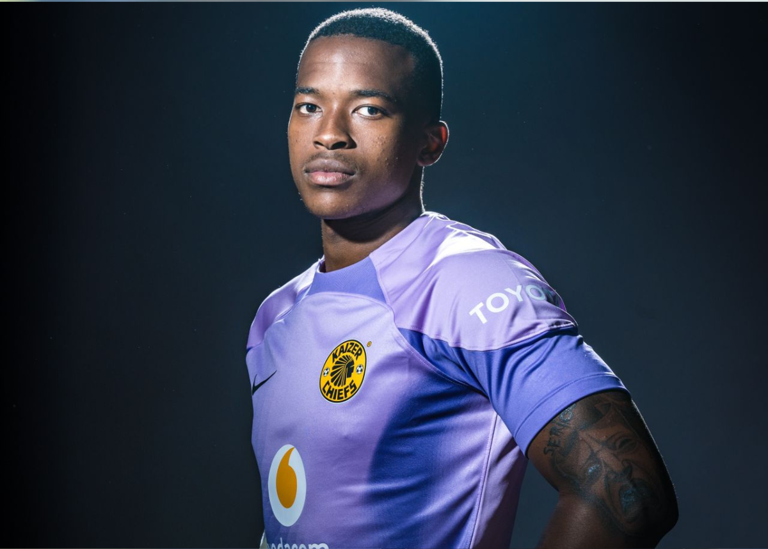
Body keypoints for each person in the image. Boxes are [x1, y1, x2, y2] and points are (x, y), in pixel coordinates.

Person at [245, 8, 678, 549]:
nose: (329, 134)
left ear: (431, 143)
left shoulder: (468, 281)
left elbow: (627, 494)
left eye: (369, 110)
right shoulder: (274, 318)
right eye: (309, 106)